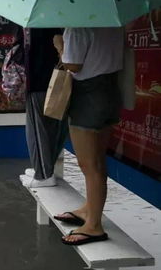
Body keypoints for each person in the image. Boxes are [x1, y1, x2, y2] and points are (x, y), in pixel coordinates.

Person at [53, 27, 124, 246]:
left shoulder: (77, 26)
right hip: (110, 91)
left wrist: (59, 46)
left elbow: (73, 65)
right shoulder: (114, 24)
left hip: (88, 95)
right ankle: (89, 210)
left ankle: (93, 226)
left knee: (88, 164)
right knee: (98, 161)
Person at [21, 28, 69, 188]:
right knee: (50, 128)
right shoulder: (56, 18)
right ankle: (43, 168)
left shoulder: (38, 22)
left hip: (40, 80)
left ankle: (44, 174)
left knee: (37, 130)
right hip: (55, 79)